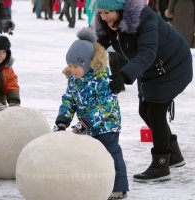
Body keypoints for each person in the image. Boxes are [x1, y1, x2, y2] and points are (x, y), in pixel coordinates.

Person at [95, 0, 193, 182]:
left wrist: (123, 76)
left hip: (173, 66)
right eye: (101, 12)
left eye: (107, 12)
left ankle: (161, 165)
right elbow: (102, 44)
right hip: (150, 68)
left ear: (120, 9)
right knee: (144, 110)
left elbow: (147, 52)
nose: (103, 17)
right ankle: (174, 154)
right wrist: (88, 58)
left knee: (155, 112)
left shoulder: (144, 18)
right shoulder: (109, 22)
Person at [54, 28, 129, 199]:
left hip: (106, 125)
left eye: (76, 66)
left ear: (88, 63)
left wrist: (87, 122)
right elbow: (69, 100)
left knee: (111, 152)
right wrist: (63, 120)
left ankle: (118, 186)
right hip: (86, 126)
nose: (72, 70)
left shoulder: (103, 80)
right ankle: (94, 183)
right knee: (89, 155)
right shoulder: (74, 80)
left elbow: (106, 105)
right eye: (70, 65)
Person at [0, 33, 20, 111]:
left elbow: (12, 84)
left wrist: (14, 100)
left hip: (1, 106)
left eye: (4, 52)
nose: (1, 55)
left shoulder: (7, 68)